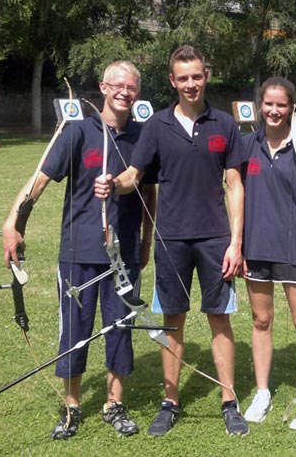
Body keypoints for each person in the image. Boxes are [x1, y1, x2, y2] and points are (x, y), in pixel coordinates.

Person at [94, 45, 248, 437]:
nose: (191, 84)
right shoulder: (157, 125)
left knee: (220, 318)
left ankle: (228, 400)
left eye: (196, 76)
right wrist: (114, 183)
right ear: (172, 81)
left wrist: (236, 242)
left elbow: (234, 185)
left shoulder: (226, 125)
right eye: (183, 78)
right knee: (172, 321)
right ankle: (170, 401)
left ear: (206, 75)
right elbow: (134, 175)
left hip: (216, 239)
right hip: (171, 239)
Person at [2, 61, 156, 439]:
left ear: (138, 92)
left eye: (132, 87)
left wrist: (146, 241)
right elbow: (37, 182)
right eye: (117, 85)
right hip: (78, 251)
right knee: (74, 329)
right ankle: (71, 406)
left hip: (123, 255)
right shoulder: (77, 133)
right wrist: (13, 224)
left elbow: (149, 194)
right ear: (103, 88)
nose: (124, 92)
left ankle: (114, 403)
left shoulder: (144, 137)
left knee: (120, 326)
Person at [240, 77, 296, 431]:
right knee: (261, 321)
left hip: (295, 247)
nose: (274, 110)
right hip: (256, 246)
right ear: (260, 105)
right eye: (269, 104)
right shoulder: (247, 146)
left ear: (293, 107)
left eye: (282, 105)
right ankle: (262, 392)